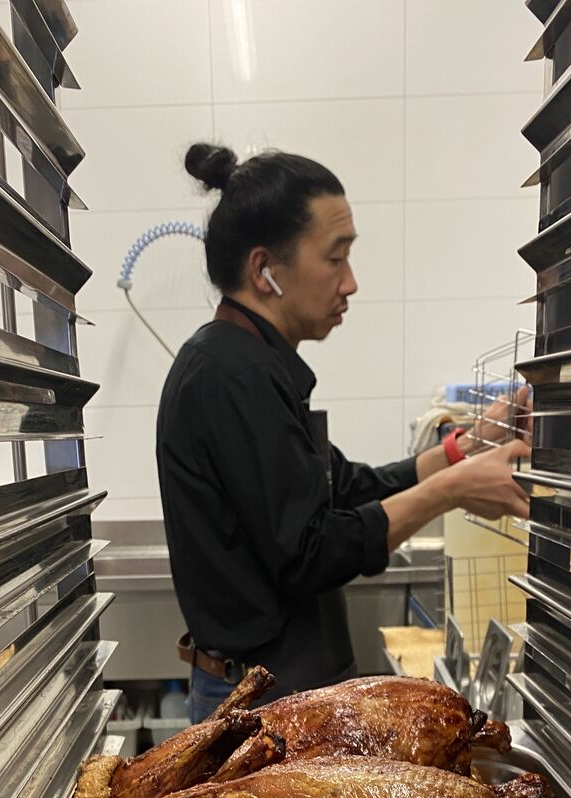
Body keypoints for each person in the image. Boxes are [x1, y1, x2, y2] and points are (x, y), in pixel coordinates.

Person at [156, 142, 531, 723]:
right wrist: (450, 491)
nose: (351, 283)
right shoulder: (231, 376)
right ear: (264, 270)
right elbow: (309, 553)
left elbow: (346, 488)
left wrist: (462, 449)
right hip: (263, 708)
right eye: (336, 258)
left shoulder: (252, 365)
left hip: (282, 695)